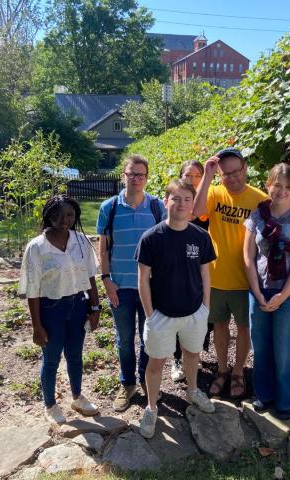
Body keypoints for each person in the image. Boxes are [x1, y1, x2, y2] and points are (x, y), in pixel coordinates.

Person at [136, 179, 216, 438]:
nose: (181, 204)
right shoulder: (151, 238)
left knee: (192, 354)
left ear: (192, 204)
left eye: (186, 199)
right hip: (162, 315)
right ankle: (151, 407)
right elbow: (143, 280)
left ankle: (192, 391)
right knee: (156, 363)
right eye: (176, 198)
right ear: (166, 201)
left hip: (194, 313)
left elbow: (205, 276)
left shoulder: (201, 236)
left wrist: (205, 308)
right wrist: (150, 315)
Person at [19, 194, 100, 424]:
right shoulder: (37, 248)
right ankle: (50, 404)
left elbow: (91, 277)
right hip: (50, 309)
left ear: (75, 216)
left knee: (75, 355)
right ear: (48, 215)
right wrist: (37, 326)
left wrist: (95, 308)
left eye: (69, 215)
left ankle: (77, 396)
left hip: (78, 307)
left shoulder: (81, 242)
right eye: (58, 214)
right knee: (51, 358)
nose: (64, 219)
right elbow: (32, 290)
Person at [243, 164, 290, 419]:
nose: (282, 191)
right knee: (261, 347)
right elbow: (248, 256)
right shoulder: (257, 215)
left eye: (287, 187)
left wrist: (281, 296)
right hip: (259, 290)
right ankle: (265, 394)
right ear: (268, 185)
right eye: (277, 185)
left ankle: (288, 400)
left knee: (285, 350)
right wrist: (257, 291)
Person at [193, 148, 267, 398]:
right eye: (227, 174)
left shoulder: (260, 200)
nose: (233, 178)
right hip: (216, 278)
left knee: (244, 329)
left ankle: (238, 372)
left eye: (237, 172)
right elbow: (196, 211)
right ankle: (222, 370)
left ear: (245, 169)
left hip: (247, 280)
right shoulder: (214, 192)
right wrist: (207, 176)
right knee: (220, 326)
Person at [96, 155, 165, 412]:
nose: (135, 179)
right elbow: (103, 250)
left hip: (149, 287)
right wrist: (106, 281)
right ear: (123, 176)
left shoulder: (158, 207)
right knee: (124, 339)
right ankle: (127, 384)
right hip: (120, 287)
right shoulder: (109, 208)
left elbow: (165, 247)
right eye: (131, 174)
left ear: (146, 178)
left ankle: (148, 381)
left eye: (140, 174)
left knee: (149, 338)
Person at [171, 160, 212, 382]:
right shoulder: (180, 199)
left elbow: (202, 213)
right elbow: (192, 214)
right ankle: (177, 358)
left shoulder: (209, 196)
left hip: (203, 263)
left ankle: (194, 352)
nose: (193, 179)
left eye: (198, 175)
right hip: (180, 264)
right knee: (180, 311)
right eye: (189, 175)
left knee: (204, 315)